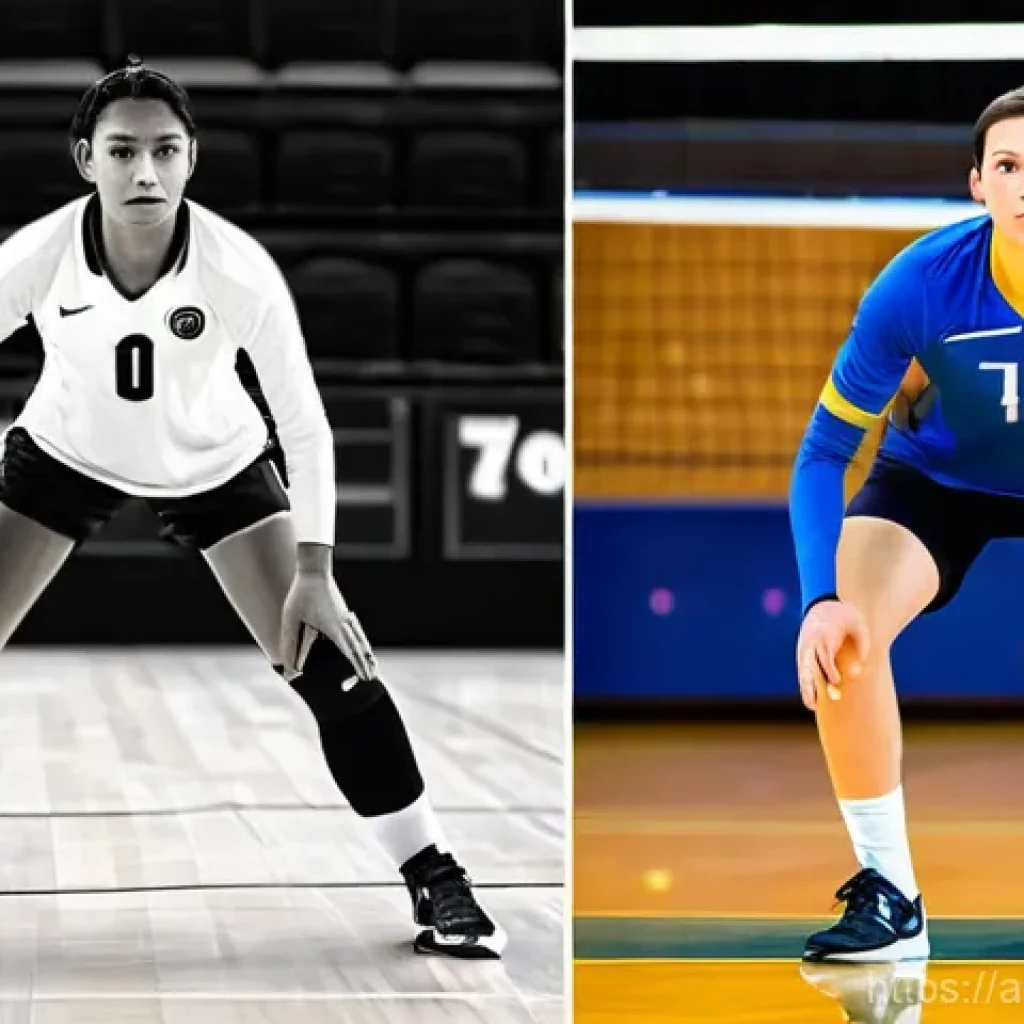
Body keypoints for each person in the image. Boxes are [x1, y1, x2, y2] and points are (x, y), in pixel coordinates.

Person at [0, 57, 505, 959]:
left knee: (336, 667)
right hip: (63, 456)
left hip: (216, 464)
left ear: (192, 157)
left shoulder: (238, 270)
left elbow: (304, 427)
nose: (144, 172)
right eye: (122, 151)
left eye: (165, 150)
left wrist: (315, 571)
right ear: (85, 158)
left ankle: (435, 873)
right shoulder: (37, 256)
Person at [789, 84, 1024, 962]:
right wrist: (819, 600)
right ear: (978, 184)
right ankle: (892, 896)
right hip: (940, 481)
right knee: (845, 637)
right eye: (1009, 166)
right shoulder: (920, 287)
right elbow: (823, 453)